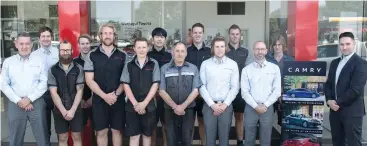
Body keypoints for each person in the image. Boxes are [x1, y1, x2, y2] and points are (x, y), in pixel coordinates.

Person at [1, 32, 49, 146]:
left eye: (27, 43)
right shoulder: (9, 62)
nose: (24, 46)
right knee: (15, 139)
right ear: (16, 44)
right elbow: (3, 84)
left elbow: (44, 82)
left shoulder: (39, 61)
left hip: (36, 103)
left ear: (31, 45)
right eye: (21, 43)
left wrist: (30, 99)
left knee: (42, 138)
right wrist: (19, 100)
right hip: (15, 104)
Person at [84, 23, 126, 146]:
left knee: (117, 131)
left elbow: (126, 79)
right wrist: (104, 96)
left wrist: (115, 95)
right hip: (99, 100)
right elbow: (89, 80)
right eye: (105, 33)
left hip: (117, 100)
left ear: (114, 36)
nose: (108, 36)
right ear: (100, 36)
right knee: (101, 132)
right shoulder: (92, 55)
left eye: (110, 33)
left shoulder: (123, 55)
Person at [325, 32, 367, 146]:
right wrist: (329, 100)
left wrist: (337, 102)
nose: (344, 47)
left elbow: (355, 89)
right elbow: (328, 84)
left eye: (347, 44)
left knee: (353, 143)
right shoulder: (334, 63)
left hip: (352, 112)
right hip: (335, 112)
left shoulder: (361, 64)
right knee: (337, 142)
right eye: (342, 44)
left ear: (354, 44)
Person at [159, 42, 201, 146]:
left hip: (188, 110)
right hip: (169, 109)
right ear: (172, 52)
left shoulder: (193, 68)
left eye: (182, 51)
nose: (180, 54)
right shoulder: (164, 69)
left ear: (186, 53)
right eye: (177, 51)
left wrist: (183, 106)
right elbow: (161, 91)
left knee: (187, 140)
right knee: (171, 140)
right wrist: (175, 107)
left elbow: (195, 90)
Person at [200, 36, 239, 146]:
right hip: (209, 106)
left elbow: (235, 87)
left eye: (222, 46)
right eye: (217, 46)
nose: (219, 49)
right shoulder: (205, 64)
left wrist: (225, 104)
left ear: (225, 48)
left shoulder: (232, 64)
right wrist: (212, 105)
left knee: (224, 140)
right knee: (209, 140)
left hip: (226, 106)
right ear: (212, 48)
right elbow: (202, 86)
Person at [121, 37, 160, 146]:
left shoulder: (154, 64)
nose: (141, 50)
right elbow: (126, 84)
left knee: (147, 136)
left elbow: (155, 84)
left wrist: (144, 104)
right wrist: (136, 104)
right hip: (132, 106)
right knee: (134, 136)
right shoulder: (128, 64)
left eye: (144, 47)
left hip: (149, 105)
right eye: (139, 47)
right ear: (134, 48)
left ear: (148, 48)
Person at [241, 41, 281, 146]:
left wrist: (265, 105)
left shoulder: (274, 68)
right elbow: (244, 92)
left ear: (266, 51)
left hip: (267, 108)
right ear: (254, 51)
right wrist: (255, 106)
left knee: (266, 139)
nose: (260, 51)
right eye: (257, 49)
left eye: (262, 49)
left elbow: (276, 91)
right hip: (250, 108)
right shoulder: (246, 70)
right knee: (249, 139)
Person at [48, 40, 84, 146]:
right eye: (63, 50)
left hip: (76, 109)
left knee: (76, 136)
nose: (65, 52)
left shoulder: (79, 69)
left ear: (72, 51)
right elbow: (53, 93)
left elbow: (80, 90)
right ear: (59, 51)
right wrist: (64, 111)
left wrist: (72, 110)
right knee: (63, 138)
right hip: (59, 109)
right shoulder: (52, 70)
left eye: (67, 50)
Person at [185, 23, 211, 145]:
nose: (197, 35)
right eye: (195, 32)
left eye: (200, 32)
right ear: (191, 34)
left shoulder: (210, 51)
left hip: (205, 94)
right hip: (189, 93)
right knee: (189, 124)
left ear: (203, 34)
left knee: (203, 122)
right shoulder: (186, 51)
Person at [32, 26, 59, 143]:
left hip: (58, 93)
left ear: (52, 38)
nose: (46, 39)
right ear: (39, 38)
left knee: (60, 127)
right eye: (43, 36)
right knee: (44, 127)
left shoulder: (59, 52)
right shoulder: (33, 55)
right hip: (42, 95)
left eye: (48, 36)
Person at [147, 27, 172, 146]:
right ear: (152, 39)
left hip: (166, 96)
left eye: (162, 37)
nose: (159, 39)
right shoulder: (147, 55)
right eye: (157, 36)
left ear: (165, 39)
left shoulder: (170, 56)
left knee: (166, 126)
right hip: (150, 96)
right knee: (151, 127)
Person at [225, 24, 249, 146]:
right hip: (226, 91)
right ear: (229, 35)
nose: (235, 36)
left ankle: (240, 142)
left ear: (240, 36)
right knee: (226, 120)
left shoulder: (246, 52)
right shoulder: (223, 50)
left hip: (240, 91)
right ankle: (225, 141)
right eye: (232, 34)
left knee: (239, 117)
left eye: (237, 34)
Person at [265, 35, 295, 126]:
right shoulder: (266, 59)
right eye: (275, 45)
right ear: (272, 46)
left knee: (284, 122)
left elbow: (293, 79)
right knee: (266, 121)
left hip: (284, 94)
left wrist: (283, 92)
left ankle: (283, 140)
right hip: (268, 94)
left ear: (283, 46)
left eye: (279, 44)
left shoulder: (290, 60)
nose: (277, 47)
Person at [74, 34, 96, 145]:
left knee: (99, 129)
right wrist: (81, 100)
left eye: (87, 43)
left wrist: (93, 98)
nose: (85, 46)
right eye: (82, 44)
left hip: (95, 99)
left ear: (90, 44)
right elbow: (72, 83)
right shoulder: (74, 63)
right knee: (78, 130)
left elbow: (99, 81)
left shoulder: (96, 60)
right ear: (78, 45)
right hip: (80, 101)